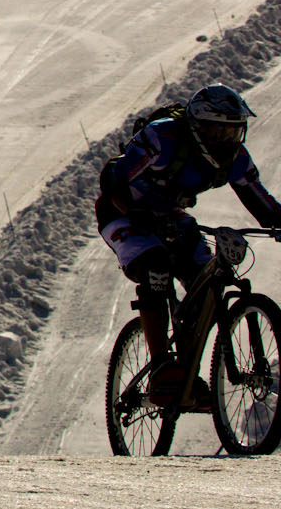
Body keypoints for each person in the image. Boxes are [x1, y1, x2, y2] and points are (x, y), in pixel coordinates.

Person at [96, 84, 281, 405]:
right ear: (197, 127)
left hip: (170, 216)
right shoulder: (162, 137)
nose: (227, 141)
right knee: (155, 266)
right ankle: (161, 369)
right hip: (122, 213)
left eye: (234, 132)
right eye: (218, 132)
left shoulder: (236, 158)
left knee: (206, 284)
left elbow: (260, 200)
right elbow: (114, 177)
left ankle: (185, 372)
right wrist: (134, 212)